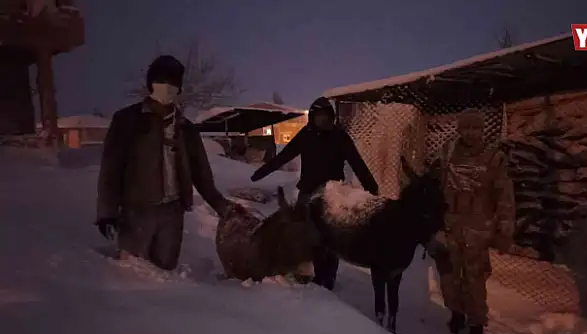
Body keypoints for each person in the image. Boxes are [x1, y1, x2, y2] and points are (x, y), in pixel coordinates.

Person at [96, 55, 232, 270]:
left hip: (173, 213)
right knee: (132, 271)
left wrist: (222, 206)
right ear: (151, 84)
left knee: (165, 274)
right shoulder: (127, 120)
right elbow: (111, 169)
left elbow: (201, 174)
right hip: (137, 211)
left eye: (173, 84)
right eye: (161, 81)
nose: (167, 88)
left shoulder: (186, 128)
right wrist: (106, 212)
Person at [250, 97, 378, 289]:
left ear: (332, 117)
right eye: (319, 116)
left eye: (326, 116)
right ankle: (306, 273)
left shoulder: (339, 136)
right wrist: (260, 173)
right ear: (312, 117)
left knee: (330, 239)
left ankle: (328, 280)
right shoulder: (306, 135)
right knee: (302, 233)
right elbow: (285, 156)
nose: (323, 120)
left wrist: (371, 186)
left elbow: (356, 161)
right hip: (308, 192)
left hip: (332, 194)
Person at [436, 109, 514, 334]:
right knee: (449, 275)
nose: (472, 133)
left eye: (476, 128)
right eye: (467, 128)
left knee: (475, 279)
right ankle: (456, 313)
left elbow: (505, 195)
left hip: (478, 229)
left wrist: (505, 227)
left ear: (483, 130)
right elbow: (435, 188)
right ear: (460, 129)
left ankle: (477, 327)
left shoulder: (493, 158)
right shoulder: (448, 153)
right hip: (450, 226)